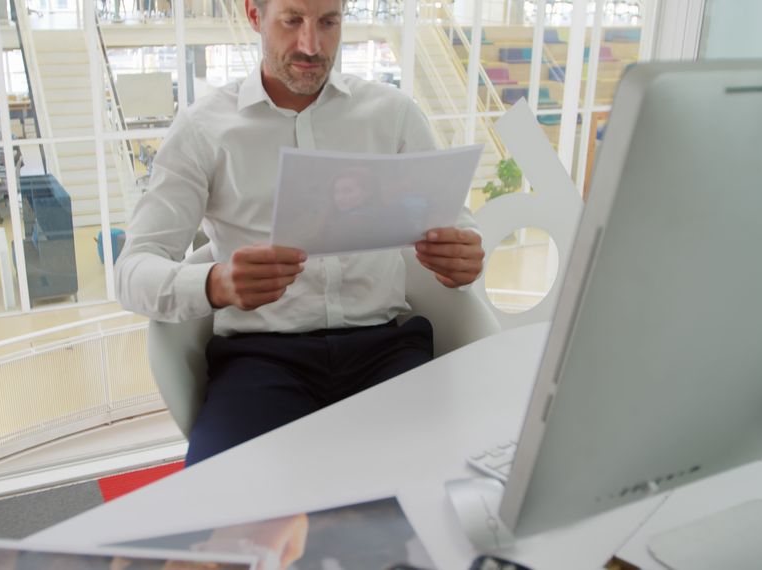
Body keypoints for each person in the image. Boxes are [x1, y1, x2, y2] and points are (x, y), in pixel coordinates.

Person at [115, 0, 485, 468]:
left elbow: (456, 222)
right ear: (254, 15)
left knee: (460, 484)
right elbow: (132, 270)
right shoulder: (204, 130)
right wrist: (215, 284)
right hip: (262, 361)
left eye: (328, 22)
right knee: (221, 513)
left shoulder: (392, 115)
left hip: (386, 351)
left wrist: (467, 257)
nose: (311, 45)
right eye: (292, 21)